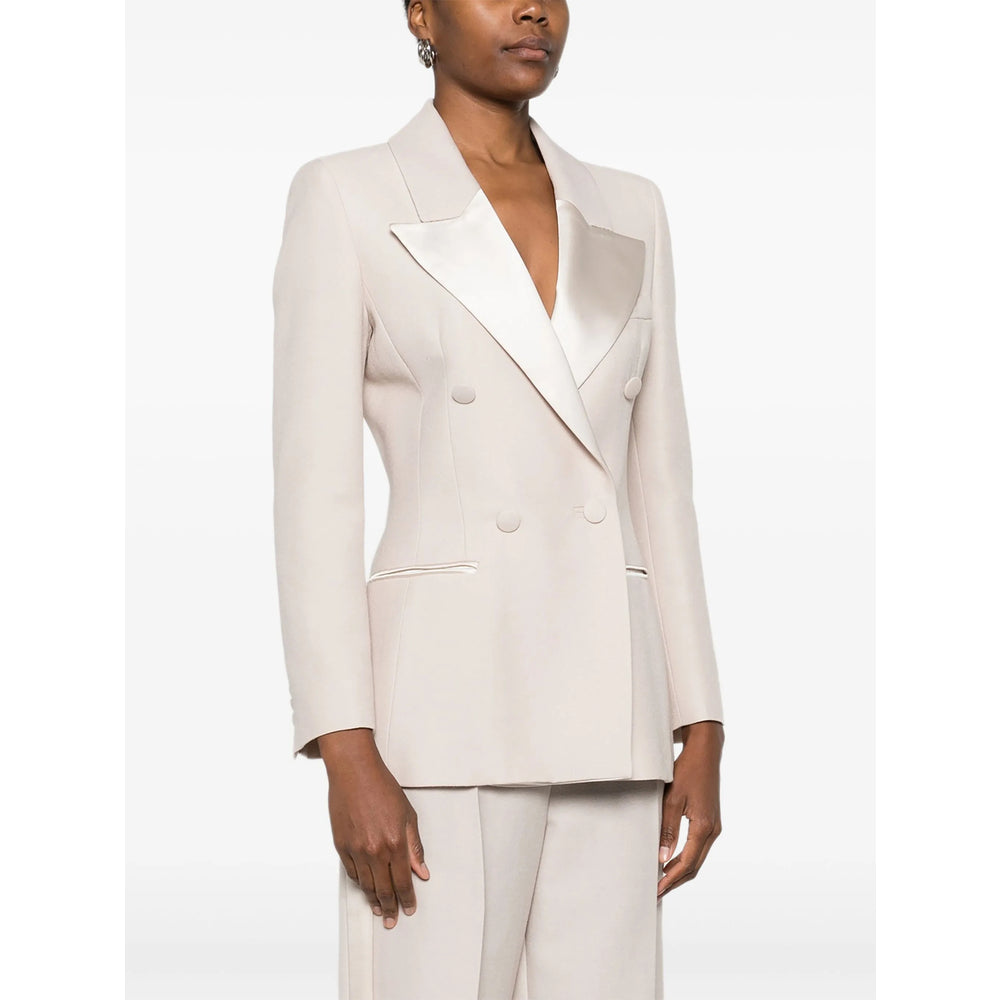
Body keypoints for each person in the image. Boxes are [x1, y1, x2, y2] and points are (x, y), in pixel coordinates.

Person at [271, 2, 725, 997]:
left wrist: (700, 719)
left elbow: (661, 481)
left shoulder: (631, 207)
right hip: (442, 711)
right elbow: (315, 497)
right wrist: (344, 743)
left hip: (614, 699)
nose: (533, 10)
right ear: (420, 13)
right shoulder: (347, 195)